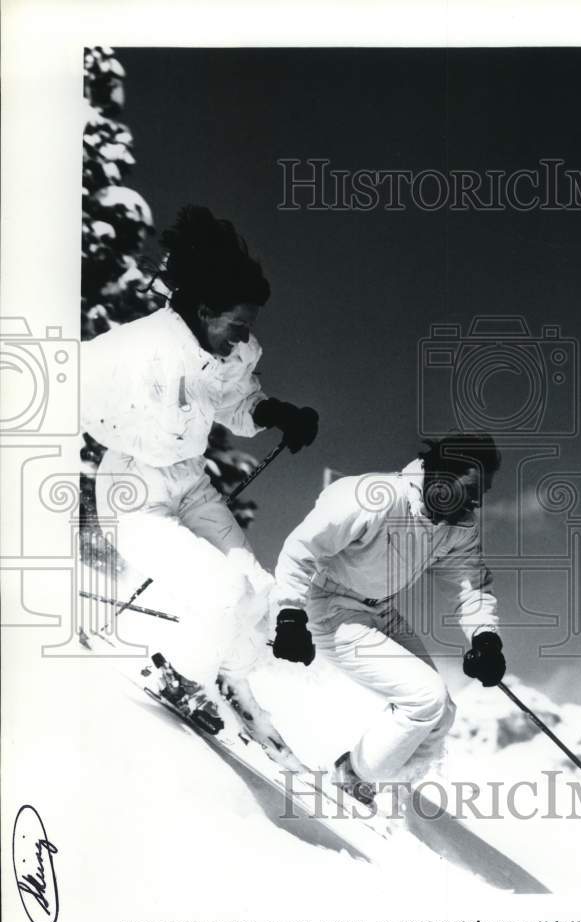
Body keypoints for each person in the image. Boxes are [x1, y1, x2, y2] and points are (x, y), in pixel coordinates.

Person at [81, 205, 319, 745]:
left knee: (255, 592)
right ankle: (176, 676)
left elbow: (236, 399)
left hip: (189, 483)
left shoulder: (222, 350)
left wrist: (276, 413)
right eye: (235, 326)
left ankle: (230, 679)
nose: (241, 341)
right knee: (223, 591)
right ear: (206, 308)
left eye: (247, 330)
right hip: (133, 492)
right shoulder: (139, 348)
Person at [270, 432, 506, 806]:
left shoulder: (455, 526)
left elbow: (470, 585)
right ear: (444, 472)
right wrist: (289, 616)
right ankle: (353, 779)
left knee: (442, 713)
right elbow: (302, 549)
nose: (476, 501)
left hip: (379, 610)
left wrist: (486, 640)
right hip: (330, 606)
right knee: (424, 698)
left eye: (483, 492)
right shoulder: (372, 497)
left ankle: (388, 791)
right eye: (472, 487)